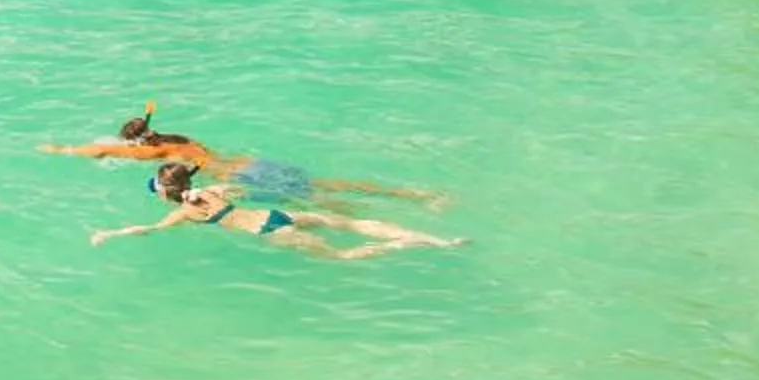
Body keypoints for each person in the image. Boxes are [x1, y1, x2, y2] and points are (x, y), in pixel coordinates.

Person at [38, 104, 442, 206]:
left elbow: (101, 150)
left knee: (318, 200)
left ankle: (366, 215)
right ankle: (410, 195)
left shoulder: (156, 151)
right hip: (252, 163)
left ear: (135, 142)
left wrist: (62, 149)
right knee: (327, 185)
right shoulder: (179, 139)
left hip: (240, 178)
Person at [90, 161, 461, 259]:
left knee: (343, 256)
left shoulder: (185, 213)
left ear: (165, 194)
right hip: (276, 216)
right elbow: (243, 188)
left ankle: (410, 245)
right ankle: (434, 239)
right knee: (355, 223)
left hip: (269, 231)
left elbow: (148, 230)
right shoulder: (214, 190)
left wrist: (110, 233)